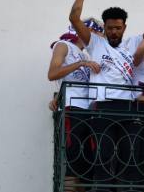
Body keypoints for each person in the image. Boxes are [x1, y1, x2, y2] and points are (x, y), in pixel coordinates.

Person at [68, 0, 144, 189]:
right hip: (103, 106)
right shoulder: (95, 42)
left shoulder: (133, 42)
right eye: (110, 28)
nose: (114, 32)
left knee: (129, 156)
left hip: (129, 107)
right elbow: (74, 18)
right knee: (103, 156)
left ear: (124, 27)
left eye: (118, 28)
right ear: (104, 27)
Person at [47, 18, 102, 191]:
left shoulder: (87, 54)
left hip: (89, 111)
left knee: (85, 163)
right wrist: (80, 63)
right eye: (98, 32)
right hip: (73, 109)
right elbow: (53, 73)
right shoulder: (63, 45)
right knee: (73, 160)